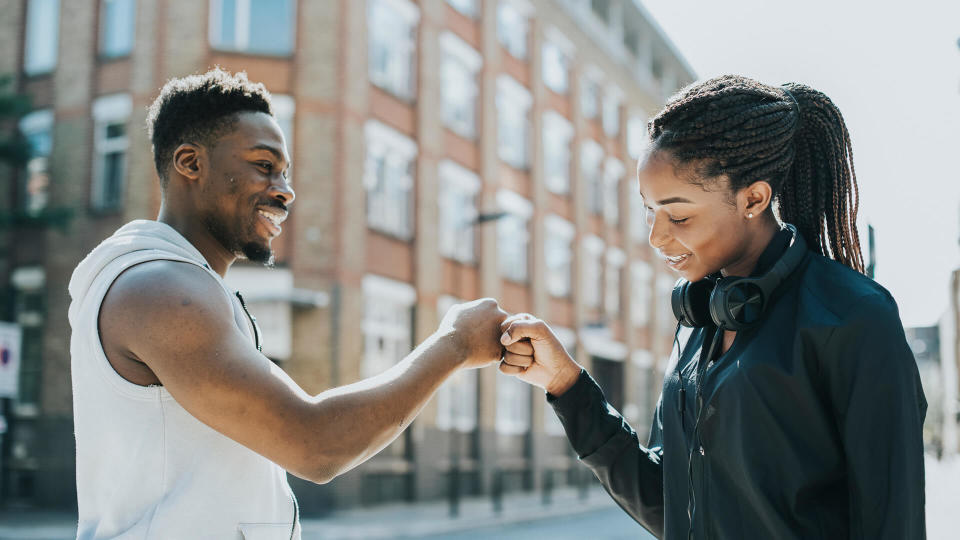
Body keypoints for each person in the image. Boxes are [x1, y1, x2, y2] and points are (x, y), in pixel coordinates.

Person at [68, 69, 508, 539]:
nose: (285, 190)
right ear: (190, 163)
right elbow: (316, 444)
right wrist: (455, 345)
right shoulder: (161, 292)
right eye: (264, 165)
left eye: (285, 173)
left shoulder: (185, 288)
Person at [498, 75, 927, 540]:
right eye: (650, 211)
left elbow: (892, 523)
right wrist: (566, 384)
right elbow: (669, 506)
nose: (657, 238)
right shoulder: (698, 325)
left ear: (754, 198)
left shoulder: (853, 317)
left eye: (678, 215)